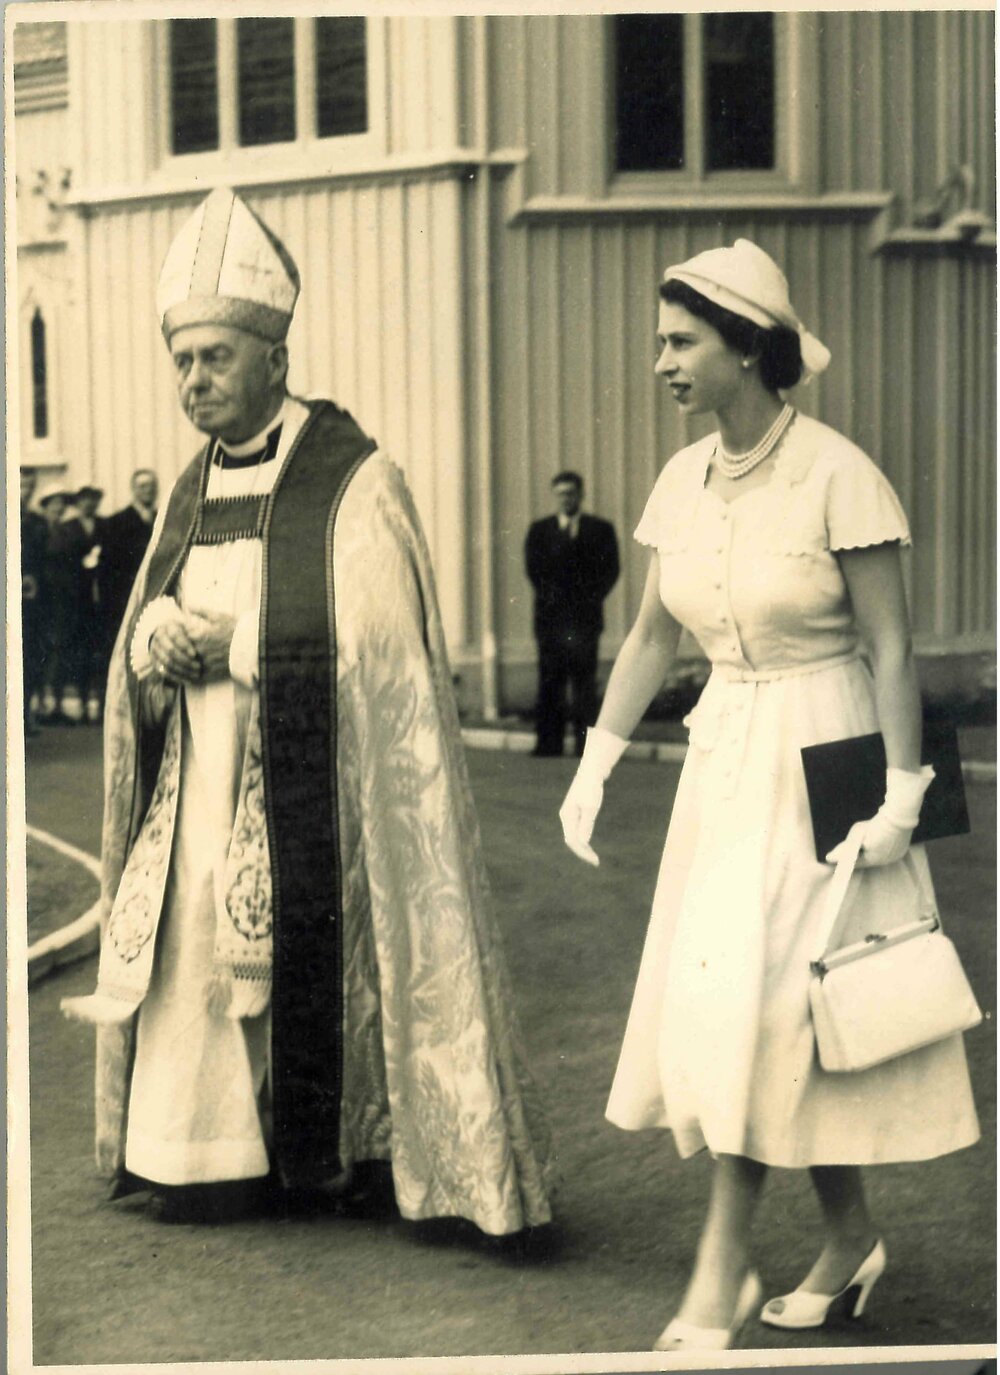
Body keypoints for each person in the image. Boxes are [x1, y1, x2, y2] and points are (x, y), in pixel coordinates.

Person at [63, 186, 552, 1234]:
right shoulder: (191, 487)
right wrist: (152, 639)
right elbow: (149, 608)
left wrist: (234, 647)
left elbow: (380, 652)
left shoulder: (350, 477)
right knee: (194, 932)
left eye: (216, 359)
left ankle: (316, 1151)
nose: (195, 381)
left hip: (310, 785)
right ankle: (191, 1153)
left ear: (273, 359)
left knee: (283, 949)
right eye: (183, 362)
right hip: (197, 773)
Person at [559, 240, 979, 1351]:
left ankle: (719, 1270)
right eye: (661, 341)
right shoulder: (680, 479)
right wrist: (597, 759)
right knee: (758, 1008)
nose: (662, 362)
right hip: (727, 764)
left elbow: (892, 650)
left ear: (748, 349)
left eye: (680, 341)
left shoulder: (839, 472)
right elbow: (652, 632)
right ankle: (849, 1239)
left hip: (830, 764)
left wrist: (901, 792)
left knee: (774, 1008)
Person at [525, 472, 619, 756]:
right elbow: (534, 571)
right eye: (561, 493)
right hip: (550, 620)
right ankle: (548, 744)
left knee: (583, 684)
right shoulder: (540, 531)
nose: (567, 498)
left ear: (581, 495)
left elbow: (611, 570)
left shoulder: (600, 530)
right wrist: (557, 601)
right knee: (550, 681)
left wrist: (587, 600)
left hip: (585, 620)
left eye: (571, 493)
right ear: (555, 496)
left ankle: (585, 746)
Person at [60, 484, 107, 723]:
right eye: (84, 500)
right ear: (77, 504)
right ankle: (80, 704)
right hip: (76, 600)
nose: (89, 504)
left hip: (99, 599)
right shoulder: (68, 528)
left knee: (98, 652)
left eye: (93, 500)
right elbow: (63, 561)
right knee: (78, 653)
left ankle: (98, 706)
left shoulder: (104, 525)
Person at [101, 468, 159, 648]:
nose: (147, 490)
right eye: (142, 486)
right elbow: (108, 569)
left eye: (151, 486)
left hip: (153, 593)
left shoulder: (163, 518)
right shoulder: (116, 522)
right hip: (124, 596)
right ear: (133, 490)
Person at [36, 480, 78, 723]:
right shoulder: (36, 529)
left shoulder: (66, 531)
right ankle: (40, 703)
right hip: (42, 599)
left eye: (61, 503)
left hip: (61, 600)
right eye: (54, 503)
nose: (58, 507)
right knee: (41, 650)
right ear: (46, 505)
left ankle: (57, 704)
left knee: (59, 650)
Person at [20, 467, 48, 737]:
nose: (25, 491)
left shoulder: (36, 521)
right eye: (20, 485)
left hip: (32, 601)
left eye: (29, 486)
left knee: (28, 659)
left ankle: (25, 716)